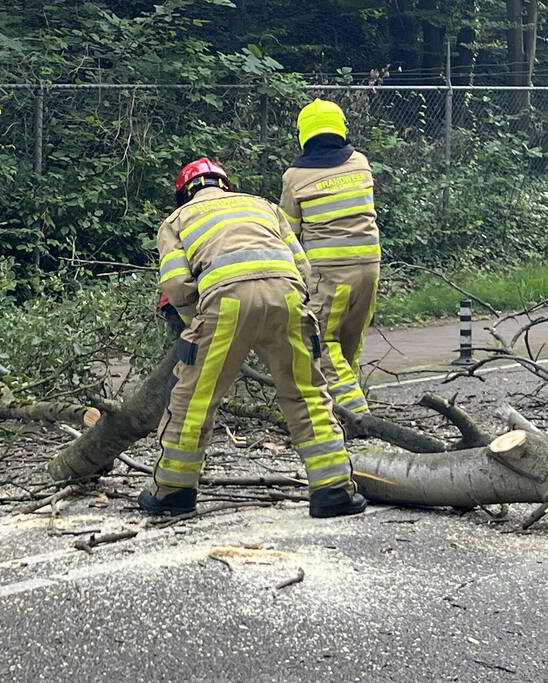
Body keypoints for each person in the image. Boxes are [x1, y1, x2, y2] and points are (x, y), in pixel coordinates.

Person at [138, 157, 368, 518]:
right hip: (287, 298)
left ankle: (173, 491)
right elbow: (303, 266)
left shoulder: (176, 221)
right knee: (306, 393)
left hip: (225, 304)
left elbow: (177, 286)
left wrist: (198, 326)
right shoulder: (264, 206)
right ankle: (333, 490)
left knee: (194, 399)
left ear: (183, 194)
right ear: (226, 185)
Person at [279, 98, 380, 415]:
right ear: (341, 129)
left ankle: (358, 416)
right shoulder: (360, 163)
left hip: (329, 274)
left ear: (304, 134)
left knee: (320, 341)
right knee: (349, 343)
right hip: (369, 268)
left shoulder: (294, 177)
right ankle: (341, 409)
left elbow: (287, 232)